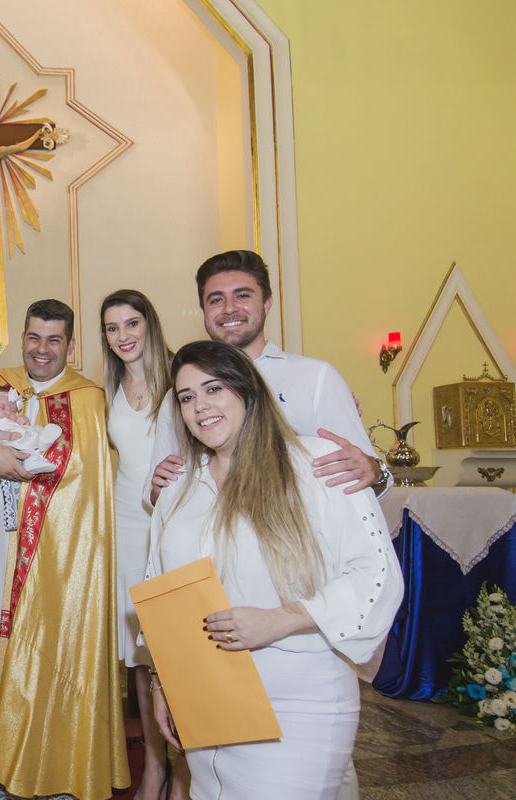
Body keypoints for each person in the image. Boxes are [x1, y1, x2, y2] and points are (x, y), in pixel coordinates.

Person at [147, 340, 403, 800]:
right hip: (205, 696)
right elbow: (164, 594)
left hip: (298, 696)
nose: (199, 406)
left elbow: (378, 576)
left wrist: (280, 620)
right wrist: (163, 681)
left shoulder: (316, 464)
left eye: (214, 388)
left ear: (248, 391)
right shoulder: (177, 489)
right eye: (186, 397)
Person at [0, 299, 129, 800]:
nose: (41, 349)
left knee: (49, 651)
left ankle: (48, 759)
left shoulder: (90, 398)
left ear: (71, 345)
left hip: (58, 564)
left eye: (54, 340)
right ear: (23, 338)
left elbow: (96, 481)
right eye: (34, 337)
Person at [148, 250, 390, 510]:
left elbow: (370, 479)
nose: (229, 308)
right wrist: (157, 490)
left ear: (267, 303)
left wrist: (374, 471)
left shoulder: (315, 377)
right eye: (216, 300)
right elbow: (157, 496)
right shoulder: (183, 394)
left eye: (242, 295)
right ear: (204, 311)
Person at [99, 290, 175, 800]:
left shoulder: (178, 376)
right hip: (127, 527)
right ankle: (154, 761)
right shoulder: (107, 388)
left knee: (180, 648)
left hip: (173, 524)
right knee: (145, 658)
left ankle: (190, 765)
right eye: (112, 328)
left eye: (132, 323)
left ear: (150, 324)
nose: (123, 336)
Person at [0, 384, 61, 473]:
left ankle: (43, 442)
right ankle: (32, 460)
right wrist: (7, 435)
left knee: (33, 429)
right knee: (23, 437)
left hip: (13, 434)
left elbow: (18, 424)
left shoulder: (8, 420)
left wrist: (25, 420)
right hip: (4, 441)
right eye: (2, 407)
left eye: (13, 411)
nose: (8, 412)